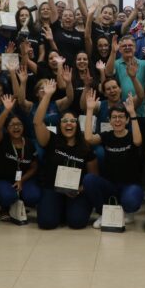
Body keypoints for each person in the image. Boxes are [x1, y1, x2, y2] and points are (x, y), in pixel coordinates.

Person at [34, 80, 98, 229]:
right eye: (64, 121)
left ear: (77, 125)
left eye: (72, 121)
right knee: (47, 223)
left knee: (77, 223)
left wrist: (79, 189)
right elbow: (37, 122)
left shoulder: (85, 147)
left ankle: (69, 208)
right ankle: (59, 208)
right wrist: (47, 96)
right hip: (52, 188)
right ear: (59, 124)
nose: (69, 124)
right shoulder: (51, 139)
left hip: (76, 191)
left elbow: (93, 177)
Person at [83, 92, 144, 228]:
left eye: (121, 117)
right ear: (109, 121)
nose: (117, 120)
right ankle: (103, 213)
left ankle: (126, 211)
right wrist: (89, 110)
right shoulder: (106, 136)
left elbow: (138, 141)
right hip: (111, 185)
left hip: (130, 185)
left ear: (127, 120)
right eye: (114, 117)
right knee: (89, 179)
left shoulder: (132, 135)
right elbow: (88, 138)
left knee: (131, 200)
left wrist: (132, 113)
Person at [0, 94, 41, 218]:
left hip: (22, 180)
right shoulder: (2, 140)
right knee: (8, 196)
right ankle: (2, 204)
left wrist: (21, 180)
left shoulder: (29, 143)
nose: (16, 127)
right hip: (2, 179)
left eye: (19, 125)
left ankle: (18, 203)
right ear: (7, 128)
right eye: (12, 125)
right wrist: (7, 110)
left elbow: (34, 167)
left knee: (34, 196)